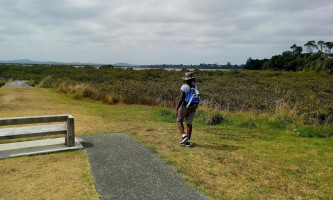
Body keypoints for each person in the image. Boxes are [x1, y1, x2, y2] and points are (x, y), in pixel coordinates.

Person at [176, 72, 198, 147]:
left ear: (186, 79)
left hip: (185, 106)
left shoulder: (184, 87)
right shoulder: (195, 87)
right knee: (189, 123)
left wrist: (177, 108)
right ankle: (188, 142)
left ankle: (184, 136)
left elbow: (181, 98)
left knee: (179, 120)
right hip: (193, 107)